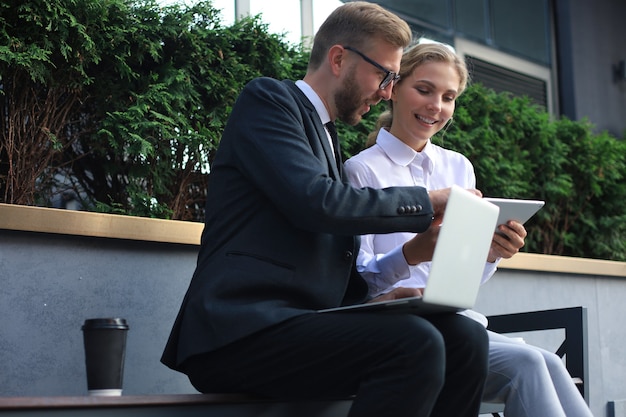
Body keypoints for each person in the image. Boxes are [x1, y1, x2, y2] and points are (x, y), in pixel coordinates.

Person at [161, 3, 490, 417]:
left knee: (464, 339)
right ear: (339, 58)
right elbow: (318, 203)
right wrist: (429, 201)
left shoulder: (328, 140)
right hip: (239, 330)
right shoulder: (268, 101)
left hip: (304, 325)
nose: (387, 91)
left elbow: (328, 249)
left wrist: (381, 302)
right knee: (414, 342)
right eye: (385, 75)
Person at [344, 40, 594, 417]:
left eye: (448, 96)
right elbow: (358, 277)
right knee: (527, 365)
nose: (436, 106)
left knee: (550, 363)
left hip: (455, 323)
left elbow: (460, 279)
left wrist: (491, 252)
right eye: (424, 90)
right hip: (395, 327)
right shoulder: (361, 170)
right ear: (394, 89)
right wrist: (414, 251)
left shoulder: (458, 168)